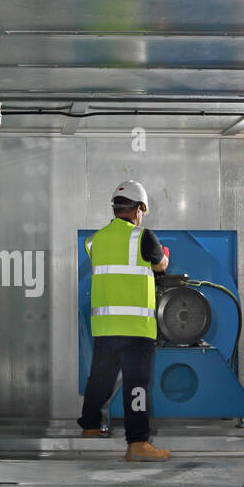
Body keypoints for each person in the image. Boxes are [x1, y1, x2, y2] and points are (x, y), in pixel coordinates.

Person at [77, 180, 172, 461]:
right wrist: (163, 254)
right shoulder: (143, 237)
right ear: (138, 209)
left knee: (100, 379)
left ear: (116, 208)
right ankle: (138, 443)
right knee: (137, 384)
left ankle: (90, 427)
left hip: (105, 327)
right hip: (136, 329)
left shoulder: (94, 240)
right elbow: (160, 266)